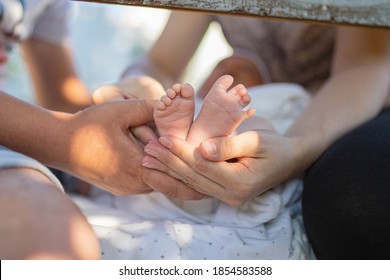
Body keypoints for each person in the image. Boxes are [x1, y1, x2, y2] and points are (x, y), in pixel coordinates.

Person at [93, 12, 390, 259]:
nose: (230, 69)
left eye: (238, 76)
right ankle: (196, 134)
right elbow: (160, 63)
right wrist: (136, 86)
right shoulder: (204, 100)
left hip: (336, 105)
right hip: (233, 126)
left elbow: (363, 65)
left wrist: (295, 148)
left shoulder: (273, 100)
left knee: (260, 132)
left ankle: (209, 133)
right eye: (222, 70)